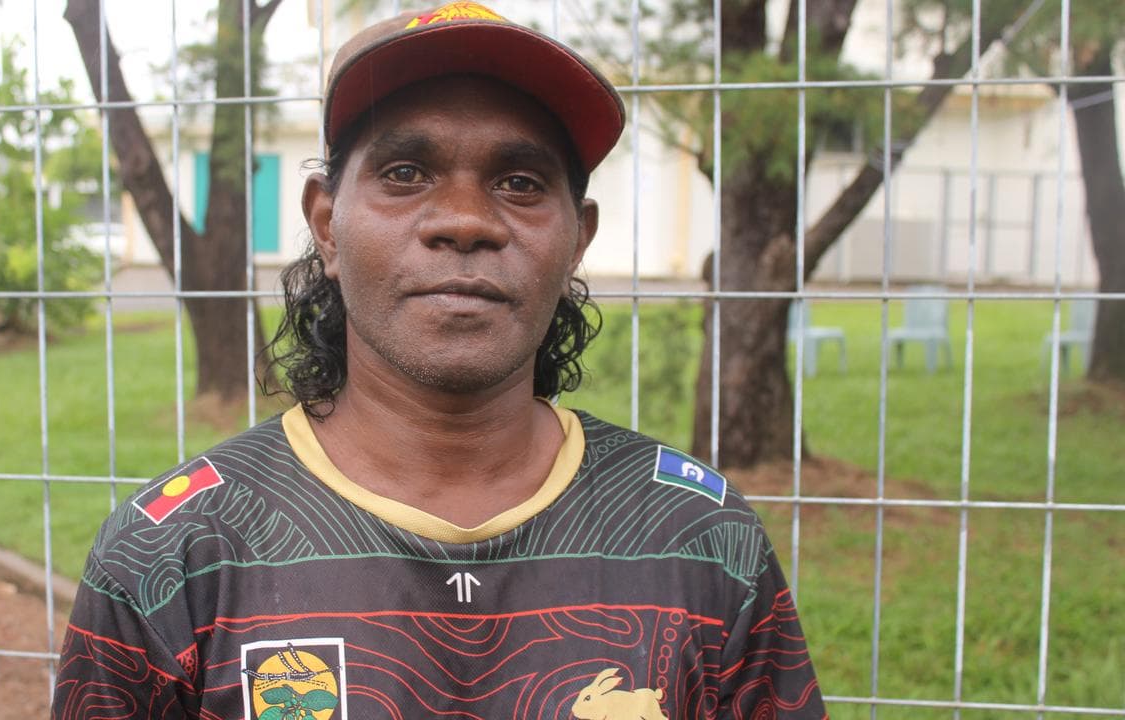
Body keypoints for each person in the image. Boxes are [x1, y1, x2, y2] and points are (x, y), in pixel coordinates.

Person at [51, 3, 827, 718]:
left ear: (577, 241)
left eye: (519, 182)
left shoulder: (701, 539)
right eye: (405, 173)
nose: (464, 220)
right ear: (326, 223)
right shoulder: (171, 556)